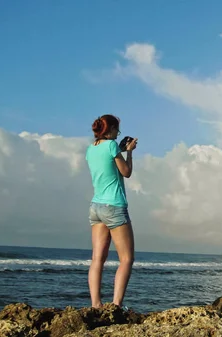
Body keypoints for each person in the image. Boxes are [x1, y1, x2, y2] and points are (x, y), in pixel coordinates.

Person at [85, 114, 138, 308]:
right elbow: (126, 172)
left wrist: (120, 150)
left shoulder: (91, 149)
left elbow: (107, 165)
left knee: (97, 258)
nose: (118, 134)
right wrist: (129, 152)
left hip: (96, 207)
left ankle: (96, 304)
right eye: (117, 130)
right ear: (111, 129)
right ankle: (115, 305)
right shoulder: (112, 146)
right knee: (126, 259)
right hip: (114, 206)